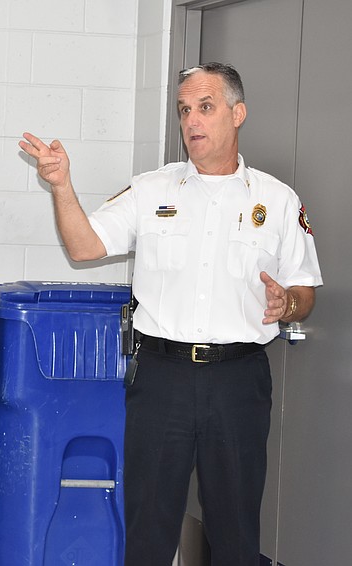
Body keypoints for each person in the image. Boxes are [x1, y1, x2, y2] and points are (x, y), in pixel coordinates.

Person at [20, 62, 322, 565]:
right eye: (184, 110)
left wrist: (288, 303)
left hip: (238, 381)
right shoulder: (152, 190)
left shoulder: (277, 200)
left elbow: (305, 287)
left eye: (205, 107)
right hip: (162, 380)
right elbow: (83, 246)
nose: (192, 121)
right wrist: (61, 185)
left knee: (236, 532)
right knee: (148, 529)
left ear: (237, 113)